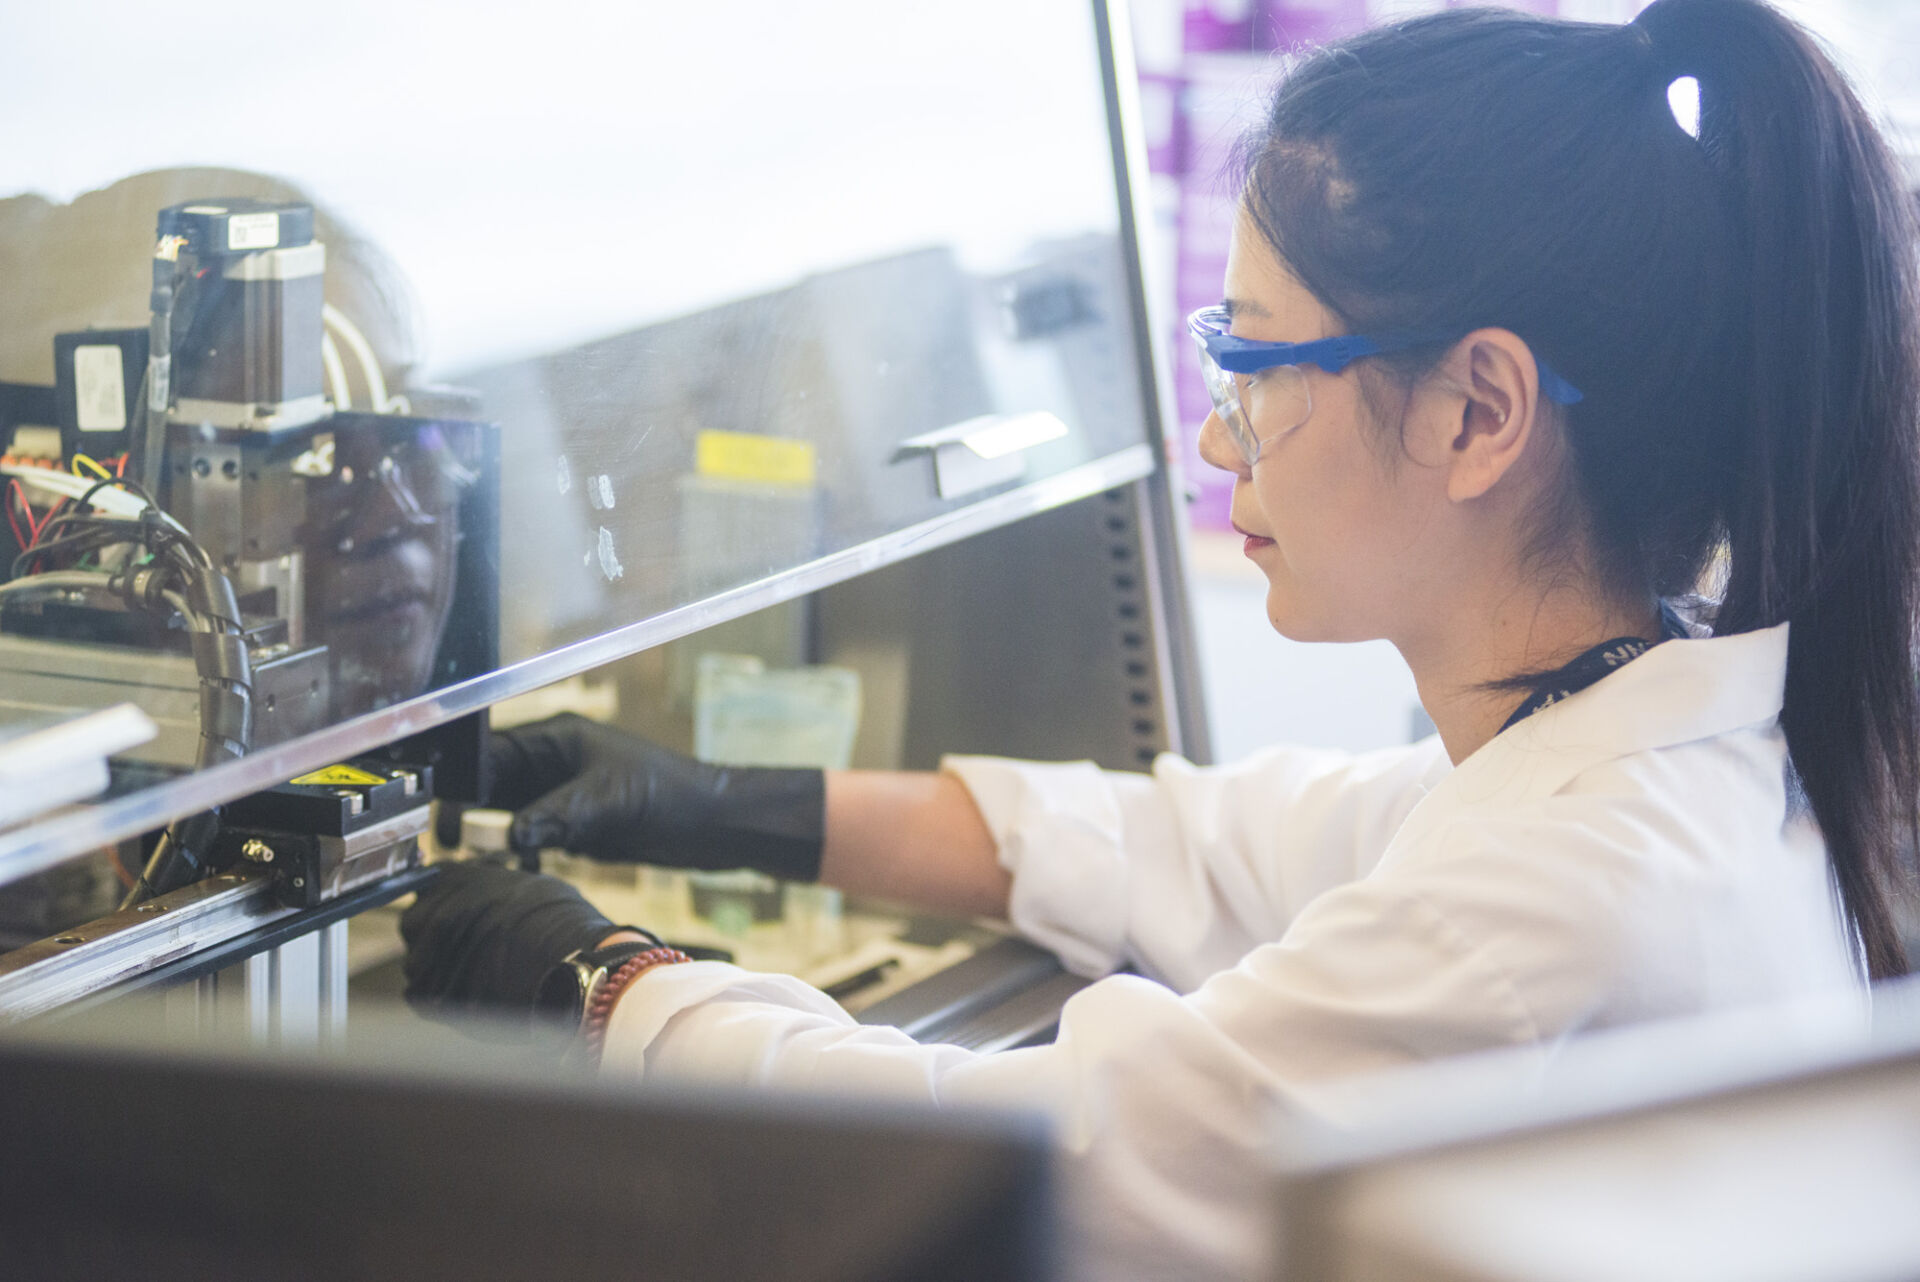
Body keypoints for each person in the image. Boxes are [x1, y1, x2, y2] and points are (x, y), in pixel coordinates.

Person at [399, 1, 1920, 1276]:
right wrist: (729, 804)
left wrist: (604, 982)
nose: (1212, 431)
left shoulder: (1564, 890)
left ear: (1479, 412)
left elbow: (1007, 1154)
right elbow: (1204, 844)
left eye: (1257, 359)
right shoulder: (1639, 749)